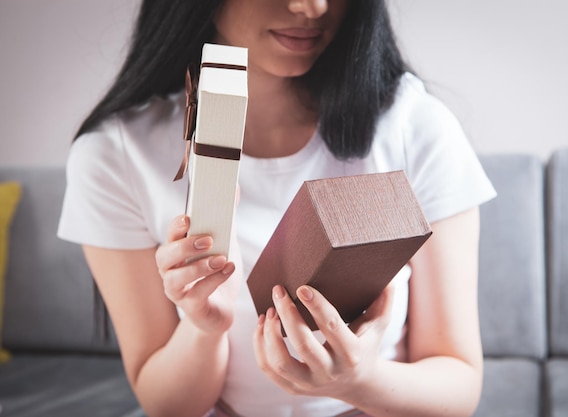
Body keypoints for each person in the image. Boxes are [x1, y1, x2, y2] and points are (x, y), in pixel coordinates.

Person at [58, 1, 496, 416]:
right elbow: (167, 405)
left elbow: (458, 382)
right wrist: (204, 327)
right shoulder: (115, 155)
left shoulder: (414, 126)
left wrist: (361, 379)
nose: (313, 8)